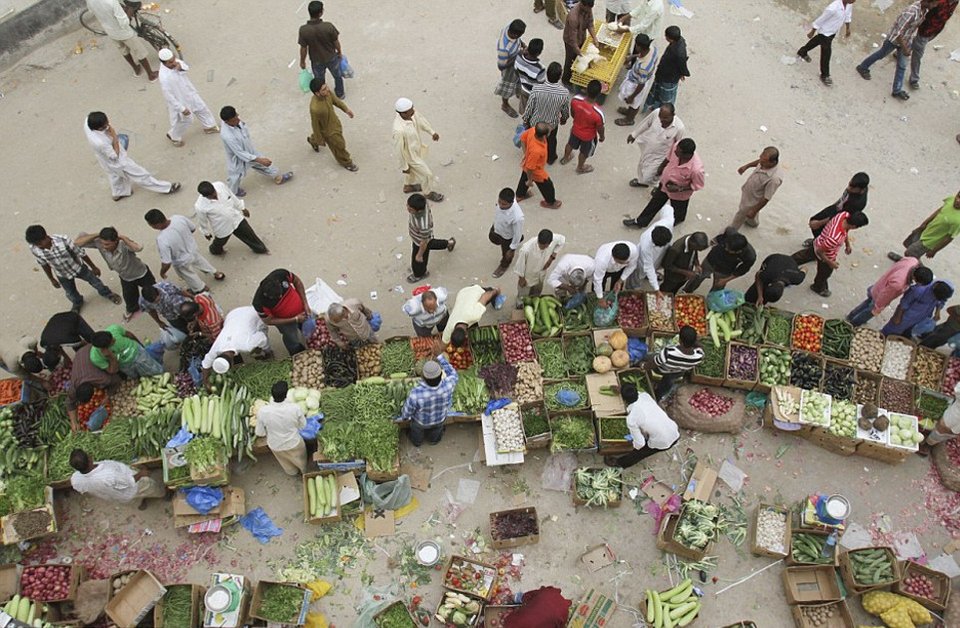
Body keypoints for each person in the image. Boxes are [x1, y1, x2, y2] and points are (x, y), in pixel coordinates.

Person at [84, 111, 179, 201]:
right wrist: (114, 137)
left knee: (114, 174)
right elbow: (114, 156)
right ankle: (166, 188)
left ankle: (119, 192)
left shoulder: (87, 123)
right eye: (105, 125)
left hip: (103, 159)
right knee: (141, 175)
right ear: (99, 128)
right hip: (119, 161)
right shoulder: (100, 142)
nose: (108, 125)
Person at [25, 226, 120, 313]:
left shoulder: (63, 240)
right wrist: (52, 279)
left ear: (46, 237)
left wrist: (93, 267)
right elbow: (44, 264)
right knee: (70, 292)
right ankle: (77, 303)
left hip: (78, 268)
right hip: (62, 274)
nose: (39, 246)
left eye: (40, 243)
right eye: (36, 244)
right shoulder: (34, 249)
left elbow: (81, 253)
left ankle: (107, 294)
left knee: (96, 282)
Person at [856, 0, 936, 101]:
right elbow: (898, 34)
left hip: (906, 40)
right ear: (928, 2)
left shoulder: (924, 10)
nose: (935, 6)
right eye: (934, 4)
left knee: (902, 65)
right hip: (894, 40)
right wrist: (905, 48)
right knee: (881, 54)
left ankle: (897, 90)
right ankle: (863, 67)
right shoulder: (911, 12)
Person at [75, 228, 153, 322]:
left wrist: (123, 237)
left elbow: (138, 248)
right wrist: (97, 234)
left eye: (107, 244)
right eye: (103, 243)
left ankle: (157, 306)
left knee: (153, 292)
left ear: (116, 241)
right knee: (129, 297)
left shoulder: (123, 244)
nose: (104, 246)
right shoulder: (99, 242)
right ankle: (132, 310)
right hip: (125, 277)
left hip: (141, 273)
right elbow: (77, 243)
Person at [624, 137, 703, 228]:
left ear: (687, 155)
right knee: (654, 203)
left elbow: (697, 186)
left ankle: (676, 220)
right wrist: (661, 167)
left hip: (680, 195)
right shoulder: (677, 147)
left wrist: (679, 188)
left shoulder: (697, 169)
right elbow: (668, 157)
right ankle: (640, 222)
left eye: (678, 151)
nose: (675, 151)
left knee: (678, 211)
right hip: (665, 185)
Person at [792, 211, 870, 297]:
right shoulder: (834, 238)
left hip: (819, 241)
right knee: (824, 274)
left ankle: (788, 262)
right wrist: (830, 262)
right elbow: (820, 251)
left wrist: (847, 243)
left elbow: (846, 230)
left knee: (803, 256)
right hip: (826, 254)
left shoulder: (843, 215)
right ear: (854, 226)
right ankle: (818, 288)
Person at [219, 106, 293, 197]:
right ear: (227, 121)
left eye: (237, 116)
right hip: (238, 158)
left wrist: (258, 159)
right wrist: (258, 159)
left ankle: (278, 177)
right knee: (235, 176)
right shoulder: (227, 136)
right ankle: (233, 191)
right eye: (235, 119)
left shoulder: (236, 122)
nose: (238, 119)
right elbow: (240, 153)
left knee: (264, 164)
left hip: (249, 150)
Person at [144, 209, 224, 294]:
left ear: (157, 225)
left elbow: (166, 262)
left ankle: (201, 288)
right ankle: (216, 273)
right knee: (201, 261)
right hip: (193, 249)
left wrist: (162, 272)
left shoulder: (162, 239)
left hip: (182, 261)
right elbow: (192, 229)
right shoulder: (178, 218)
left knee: (189, 275)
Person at [603, 384, 679, 468]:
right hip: (673, 430)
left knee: (640, 453)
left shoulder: (632, 418)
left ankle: (620, 463)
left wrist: (632, 443)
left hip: (663, 441)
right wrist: (622, 390)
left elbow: (640, 444)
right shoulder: (645, 396)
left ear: (624, 401)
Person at [400, 339, 459, 446]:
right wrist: (440, 356)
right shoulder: (448, 385)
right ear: (441, 375)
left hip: (420, 422)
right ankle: (433, 441)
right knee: (436, 431)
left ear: (423, 377)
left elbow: (407, 412)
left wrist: (405, 418)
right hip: (439, 419)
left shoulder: (416, 394)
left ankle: (417, 442)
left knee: (416, 433)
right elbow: (453, 373)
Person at [156, 48, 218, 147]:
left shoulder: (175, 62)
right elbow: (169, 97)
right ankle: (174, 136)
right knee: (186, 120)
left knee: (201, 107)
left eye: (174, 59)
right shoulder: (164, 78)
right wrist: (181, 108)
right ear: (164, 63)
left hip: (189, 92)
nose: (174, 62)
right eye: (170, 62)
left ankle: (209, 126)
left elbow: (186, 67)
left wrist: (180, 67)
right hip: (181, 101)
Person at [83, 0, 157, 81]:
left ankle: (136, 69)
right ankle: (151, 75)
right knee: (139, 52)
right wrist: (129, 11)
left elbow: (91, 11)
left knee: (124, 50)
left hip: (110, 32)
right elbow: (124, 22)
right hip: (124, 33)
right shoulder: (112, 2)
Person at [200, 306, 273, 387]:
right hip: (233, 314)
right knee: (254, 343)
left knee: (261, 334)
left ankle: (266, 353)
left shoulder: (246, 346)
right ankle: (258, 351)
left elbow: (262, 338)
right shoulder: (216, 347)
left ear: (232, 362)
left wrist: (268, 352)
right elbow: (206, 363)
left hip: (253, 314)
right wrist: (205, 381)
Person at [70, 449, 165, 510]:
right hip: (132, 488)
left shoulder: (75, 479)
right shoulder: (109, 475)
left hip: (116, 497)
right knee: (149, 487)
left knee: (131, 501)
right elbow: (129, 481)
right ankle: (163, 494)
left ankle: (141, 504)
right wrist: (142, 473)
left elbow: (82, 489)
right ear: (90, 459)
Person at [847, 260, 933, 327]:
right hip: (880, 295)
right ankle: (853, 323)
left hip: (880, 284)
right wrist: (877, 309)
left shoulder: (912, 261)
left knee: (867, 302)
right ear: (916, 278)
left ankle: (851, 315)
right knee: (869, 311)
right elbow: (884, 296)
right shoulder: (899, 284)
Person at [194, 181, 268, 256]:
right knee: (220, 242)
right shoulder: (200, 206)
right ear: (205, 196)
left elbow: (232, 196)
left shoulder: (220, 186)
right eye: (211, 196)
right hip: (222, 227)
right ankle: (215, 250)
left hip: (236, 218)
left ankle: (260, 249)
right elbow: (202, 221)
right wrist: (206, 232)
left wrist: (242, 208)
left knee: (249, 234)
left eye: (214, 192)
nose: (215, 195)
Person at [393, 98, 443, 202]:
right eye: (411, 110)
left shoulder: (412, 114)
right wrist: (404, 166)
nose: (414, 111)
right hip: (410, 156)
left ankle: (408, 186)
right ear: (403, 113)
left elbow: (421, 121)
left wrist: (432, 132)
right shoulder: (398, 130)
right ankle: (428, 192)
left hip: (417, 148)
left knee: (412, 172)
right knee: (427, 174)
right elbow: (399, 150)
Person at [796, 0, 855, 86]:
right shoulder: (833, 8)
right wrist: (812, 31)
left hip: (833, 31)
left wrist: (848, 28)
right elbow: (821, 19)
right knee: (826, 53)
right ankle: (825, 75)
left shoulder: (849, 4)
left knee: (817, 41)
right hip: (825, 32)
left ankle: (802, 51)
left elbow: (848, 16)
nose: (854, 1)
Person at [252, 269, 310, 357]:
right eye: (276, 297)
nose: (280, 296)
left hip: (302, 311)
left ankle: (309, 341)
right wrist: (295, 319)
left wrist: (305, 303)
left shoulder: (280, 274)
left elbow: (297, 282)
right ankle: (296, 352)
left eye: (280, 294)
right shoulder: (259, 303)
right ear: (266, 294)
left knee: (310, 327)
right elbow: (269, 321)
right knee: (292, 338)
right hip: (286, 322)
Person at [522, 62, 571, 165]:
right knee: (551, 141)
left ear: (547, 74)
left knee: (534, 140)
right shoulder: (564, 93)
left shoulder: (536, 89)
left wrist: (526, 120)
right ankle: (550, 158)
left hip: (535, 123)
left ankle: (533, 156)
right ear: (560, 76)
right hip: (551, 125)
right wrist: (564, 119)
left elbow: (529, 107)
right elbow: (565, 110)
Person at [626, 104, 685, 188]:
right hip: (648, 147)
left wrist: (669, 162)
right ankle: (642, 182)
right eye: (660, 117)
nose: (661, 120)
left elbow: (677, 146)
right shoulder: (656, 113)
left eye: (665, 118)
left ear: (673, 115)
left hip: (661, 155)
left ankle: (657, 186)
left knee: (652, 174)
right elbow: (647, 123)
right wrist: (634, 134)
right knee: (641, 166)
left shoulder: (679, 128)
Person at [256, 381, 308, 475]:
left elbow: (260, 433)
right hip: (294, 442)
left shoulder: (263, 411)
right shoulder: (295, 408)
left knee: (285, 463)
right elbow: (303, 426)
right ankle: (303, 471)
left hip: (275, 444)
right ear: (286, 395)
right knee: (300, 460)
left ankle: (292, 472)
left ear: (272, 395)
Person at [724, 147, 782, 231]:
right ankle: (753, 222)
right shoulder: (763, 162)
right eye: (761, 157)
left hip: (753, 200)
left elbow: (766, 198)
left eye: (763, 161)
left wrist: (754, 210)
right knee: (749, 214)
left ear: (772, 162)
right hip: (749, 192)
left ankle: (729, 233)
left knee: (740, 215)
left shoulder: (774, 179)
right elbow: (759, 161)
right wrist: (746, 166)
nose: (760, 161)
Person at [804, 172, 870, 246]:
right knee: (814, 221)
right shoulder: (857, 187)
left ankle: (817, 245)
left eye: (852, 188)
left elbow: (841, 217)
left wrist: (819, 223)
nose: (848, 188)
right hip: (837, 207)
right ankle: (817, 241)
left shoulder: (856, 204)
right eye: (849, 184)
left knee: (821, 229)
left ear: (861, 190)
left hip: (839, 216)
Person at [305, 79, 358, 171]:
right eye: (324, 89)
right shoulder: (315, 108)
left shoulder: (327, 94)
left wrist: (346, 109)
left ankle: (313, 141)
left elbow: (336, 101)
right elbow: (315, 125)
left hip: (335, 123)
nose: (328, 90)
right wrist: (320, 139)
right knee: (339, 145)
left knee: (322, 139)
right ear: (317, 93)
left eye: (326, 87)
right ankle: (347, 162)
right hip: (328, 132)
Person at [892, 191, 960, 261]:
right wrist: (925, 222)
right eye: (958, 196)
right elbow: (939, 211)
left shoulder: (958, 221)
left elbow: (949, 238)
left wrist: (934, 250)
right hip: (926, 230)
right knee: (909, 245)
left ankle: (915, 268)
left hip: (930, 241)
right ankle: (908, 263)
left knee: (909, 253)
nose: (958, 200)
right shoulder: (951, 200)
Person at [65, 345, 121, 429]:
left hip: (94, 348)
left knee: (115, 369)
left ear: (94, 390)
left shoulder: (102, 379)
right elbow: (70, 402)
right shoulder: (74, 386)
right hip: (80, 353)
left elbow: (117, 380)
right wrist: (74, 422)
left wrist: (108, 395)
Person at [298, 1, 345, 98]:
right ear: (320, 13)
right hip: (331, 57)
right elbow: (336, 42)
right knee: (337, 76)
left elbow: (303, 48)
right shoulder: (328, 26)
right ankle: (340, 93)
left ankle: (323, 96)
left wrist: (302, 61)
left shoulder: (303, 30)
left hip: (316, 60)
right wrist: (339, 52)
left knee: (319, 80)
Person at [685, 229, 757, 293]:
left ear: (738, 251)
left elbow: (741, 270)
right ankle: (686, 291)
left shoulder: (750, 256)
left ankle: (712, 303)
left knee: (717, 289)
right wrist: (711, 243)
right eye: (725, 246)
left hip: (725, 270)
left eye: (729, 250)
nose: (726, 249)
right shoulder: (730, 232)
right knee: (697, 276)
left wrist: (725, 280)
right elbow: (718, 239)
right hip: (711, 259)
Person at [909, 0, 958, 89]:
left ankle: (902, 48)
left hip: (935, 30)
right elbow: (925, 10)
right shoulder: (940, 2)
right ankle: (914, 79)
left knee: (917, 45)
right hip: (925, 30)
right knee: (918, 54)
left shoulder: (955, 2)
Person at [407, 193, 456, 283]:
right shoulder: (423, 204)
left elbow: (424, 243)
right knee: (432, 244)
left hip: (420, 241)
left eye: (410, 209)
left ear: (418, 211)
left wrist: (419, 255)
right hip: (422, 238)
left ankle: (420, 274)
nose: (407, 209)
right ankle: (449, 243)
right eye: (408, 205)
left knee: (417, 260)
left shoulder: (423, 225)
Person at [561, 80, 605, 174]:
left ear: (586, 90)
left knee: (570, 144)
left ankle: (565, 158)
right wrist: (602, 137)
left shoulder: (575, 100)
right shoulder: (598, 113)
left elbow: (572, 113)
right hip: (588, 138)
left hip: (575, 130)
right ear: (598, 95)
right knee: (584, 152)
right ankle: (580, 168)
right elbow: (600, 128)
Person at [614, 34, 659, 127]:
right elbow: (642, 55)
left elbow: (641, 85)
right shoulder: (652, 49)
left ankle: (629, 119)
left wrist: (632, 96)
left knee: (635, 103)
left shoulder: (644, 67)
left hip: (637, 84)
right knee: (631, 102)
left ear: (639, 46)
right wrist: (633, 56)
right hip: (638, 77)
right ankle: (628, 111)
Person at [883, 280, 954, 337]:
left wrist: (937, 311)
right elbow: (904, 303)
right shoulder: (919, 290)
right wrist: (897, 317)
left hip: (922, 317)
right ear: (934, 287)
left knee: (908, 332)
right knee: (892, 330)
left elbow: (942, 301)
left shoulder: (947, 290)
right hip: (905, 318)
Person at [648, 325, 703, 398]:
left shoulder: (668, 352)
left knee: (650, 356)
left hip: (662, 370)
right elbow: (700, 348)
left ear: (680, 341)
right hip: (678, 372)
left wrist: (644, 366)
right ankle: (658, 395)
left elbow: (655, 362)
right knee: (667, 383)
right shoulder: (698, 356)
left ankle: (656, 392)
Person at [517, 123, 563, 209]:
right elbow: (530, 168)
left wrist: (525, 153)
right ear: (545, 135)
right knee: (547, 185)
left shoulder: (533, 130)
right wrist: (530, 180)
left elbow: (523, 137)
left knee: (524, 178)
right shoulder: (536, 151)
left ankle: (520, 195)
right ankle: (550, 202)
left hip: (528, 163)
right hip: (536, 171)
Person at [515, 229, 566, 306]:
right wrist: (521, 278)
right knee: (523, 293)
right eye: (541, 246)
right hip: (528, 275)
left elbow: (562, 240)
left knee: (537, 291)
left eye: (546, 246)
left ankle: (534, 301)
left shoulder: (554, 239)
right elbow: (520, 265)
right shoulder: (526, 249)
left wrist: (552, 256)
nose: (543, 248)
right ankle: (520, 305)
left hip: (541, 273)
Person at [644, 25, 689, 111]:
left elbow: (682, 64)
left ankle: (664, 112)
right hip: (663, 73)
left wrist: (683, 73)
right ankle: (656, 107)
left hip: (669, 77)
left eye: (666, 36)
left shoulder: (679, 53)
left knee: (665, 96)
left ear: (671, 39)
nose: (665, 38)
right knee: (658, 91)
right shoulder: (678, 41)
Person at [89, 325, 163, 378]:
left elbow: (130, 335)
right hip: (125, 366)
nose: (114, 339)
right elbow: (112, 371)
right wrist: (111, 357)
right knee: (140, 378)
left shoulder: (114, 329)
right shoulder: (95, 357)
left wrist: (141, 346)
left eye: (112, 337)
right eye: (112, 342)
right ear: (105, 347)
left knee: (156, 372)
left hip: (137, 353)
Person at [631, 206, 673, 291]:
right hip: (643, 260)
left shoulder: (668, 222)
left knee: (656, 264)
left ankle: (651, 276)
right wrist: (656, 288)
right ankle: (633, 287)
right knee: (639, 272)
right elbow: (648, 266)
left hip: (658, 256)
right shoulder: (646, 245)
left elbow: (667, 208)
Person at [490, 188, 526, 278]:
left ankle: (504, 266)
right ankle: (519, 239)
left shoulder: (517, 217)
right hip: (497, 227)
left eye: (504, 204)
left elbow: (517, 233)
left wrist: (512, 249)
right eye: (499, 202)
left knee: (506, 254)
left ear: (511, 203)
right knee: (492, 238)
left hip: (507, 236)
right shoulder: (505, 200)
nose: (501, 205)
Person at [495, 19, 527, 119]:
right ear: (514, 34)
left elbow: (518, 40)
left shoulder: (509, 27)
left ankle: (517, 92)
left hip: (517, 64)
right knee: (507, 88)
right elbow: (501, 66)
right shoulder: (503, 48)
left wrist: (522, 44)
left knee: (519, 81)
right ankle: (505, 105)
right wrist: (517, 56)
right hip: (509, 70)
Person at [562, 0, 598, 85]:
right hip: (570, 42)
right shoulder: (573, 17)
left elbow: (590, 24)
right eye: (588, 9)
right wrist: (579, 52)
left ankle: (577, 76)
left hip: (581, 36)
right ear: (582, 4)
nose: (589, 11)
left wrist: (595, 38)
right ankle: (566, 80)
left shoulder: (588, 8)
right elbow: (573, 40)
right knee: (570, 60)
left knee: (579, 58)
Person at [515, 39, 546, 113]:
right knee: (531, 107)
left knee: (523, 103)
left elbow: (515, 69)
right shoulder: (540, 68)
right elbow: (541, 83)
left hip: (522, 86)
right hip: (531, 92)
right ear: (539, 53)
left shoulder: (518, 55)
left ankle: (522, 112)